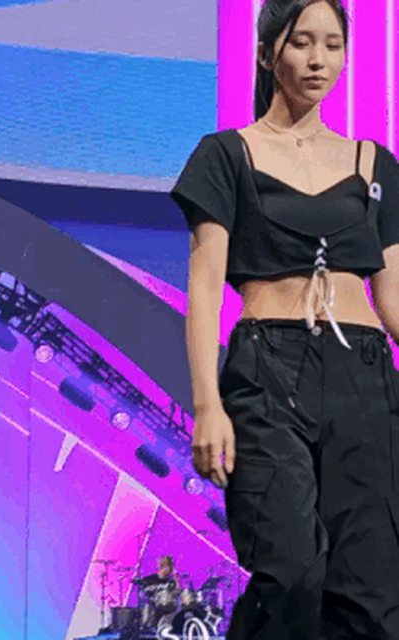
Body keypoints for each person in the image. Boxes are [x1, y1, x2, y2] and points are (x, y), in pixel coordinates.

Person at [170, 0, 399, 638]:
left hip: (365, 379)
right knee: (292, 572)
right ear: (269, 54)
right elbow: (205, 287)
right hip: (267, 372)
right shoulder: (226, 155)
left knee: (372, 595)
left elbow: (393, 298)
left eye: (332, 45)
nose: (318, 59)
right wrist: (207, 405)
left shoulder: (374, 165)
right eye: (302, 43)